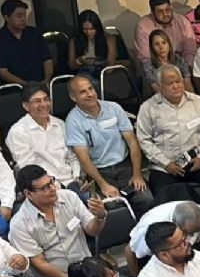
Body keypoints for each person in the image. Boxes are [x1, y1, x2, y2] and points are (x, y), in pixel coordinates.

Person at [9, 165, 111, 277]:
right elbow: (41, 265)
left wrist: (100, 216)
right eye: (44, 188)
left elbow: (92, 230)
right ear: (28, 193)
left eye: (51, 182)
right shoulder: (20, 224)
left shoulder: (68, 197)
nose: (52, 188)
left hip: (87, 269)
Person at [136, 65, 200, 211]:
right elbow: (144, 140)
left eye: (178, 81)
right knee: (163, 197)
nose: (176, 86)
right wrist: (166, 163)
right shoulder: (148, 108)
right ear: (160, 86)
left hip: (197, 160)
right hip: (165, 166)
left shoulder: (198, 102)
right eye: (170, 83)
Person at [64, 75, 154, 216]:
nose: (90, 94)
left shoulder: (114, 108)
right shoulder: (72, 121)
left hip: (125, 166)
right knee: (112, 207)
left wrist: (137, 174)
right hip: (99, 172)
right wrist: (103, 185)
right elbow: (84, 158)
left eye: (91, 89)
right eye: (83, 92)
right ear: (73, 97)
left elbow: (132, 142)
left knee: (146, 199)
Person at [6, 83, 80, 190]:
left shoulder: (60, 124)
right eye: (37, 101)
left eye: (46, 99)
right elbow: (28, 169)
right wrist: (56, 186)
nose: (44, 104)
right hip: (45, 188)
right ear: (26, 106)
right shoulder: (18, 132)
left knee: (97, 204)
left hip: (71, 181)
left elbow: (72, 157)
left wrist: (77, 178)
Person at [127, 201, 200, 266]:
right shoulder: (150, 228)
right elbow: (129, 251)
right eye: (187, 233)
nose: (189, 237)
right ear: (176, 224)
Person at [0, 0, 53, 85]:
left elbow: (47, 60)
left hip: (41, 83)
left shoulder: (34, 33)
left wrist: (47, 79)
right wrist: (26, 85)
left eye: (25, 15)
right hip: (14, 89)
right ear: (6, 17)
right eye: (19, 16)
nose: (23, 19)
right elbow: (3, 72)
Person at [134, 0, 196, 66]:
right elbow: (146, 58)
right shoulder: (143, 26)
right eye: (160, 12)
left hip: (181, 65)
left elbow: (190, 51)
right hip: (156, 67)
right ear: (153, 13)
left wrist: (187, 69)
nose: (165, 14)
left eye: (167, 10)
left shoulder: (182, 21)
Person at [68, 10, 116, 79]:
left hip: (103, 70)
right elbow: (71, 65)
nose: (88, 32)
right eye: (85, 29)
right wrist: (80, 60)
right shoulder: (75, 40)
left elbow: (111, 63)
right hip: (84, 71)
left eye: (92, 29)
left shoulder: (108, 38)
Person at [143, 29, 192, 94]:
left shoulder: (179, 60)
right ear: (152, 48)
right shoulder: (148, 66)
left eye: (164, 43)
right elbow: (158, 91)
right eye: (156, 44)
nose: (161, 47)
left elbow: (188, 86)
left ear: (169, 44)